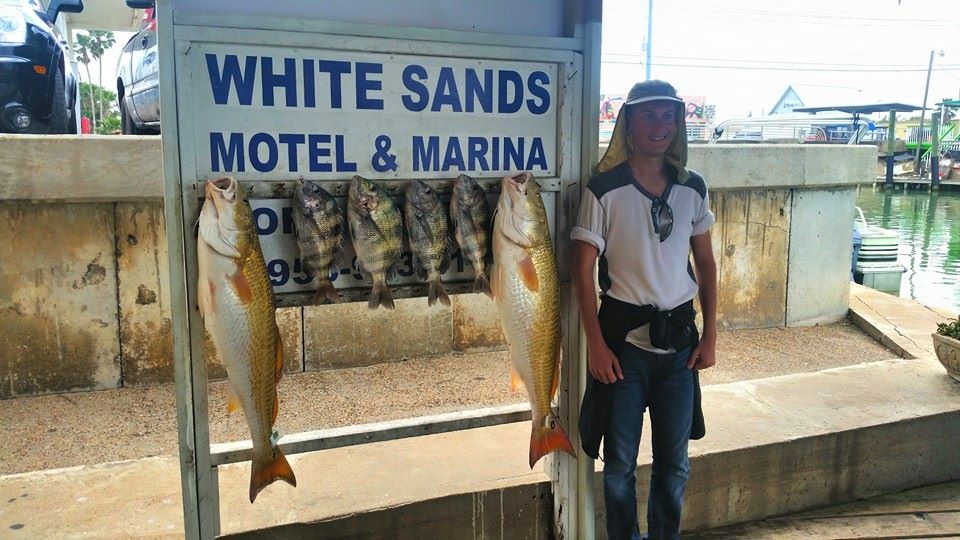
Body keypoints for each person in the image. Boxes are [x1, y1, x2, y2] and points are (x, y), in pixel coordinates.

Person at [572, 79, 718, 540]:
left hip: (679, 344)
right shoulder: (604, 190)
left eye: (668, 115)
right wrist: (595, 345)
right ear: (629, 123)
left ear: (678, 124)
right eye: (649, 115)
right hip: (622, 346)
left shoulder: (693, 188)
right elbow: (581, 271)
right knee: (618, 465)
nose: (660, 125)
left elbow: (706, 264)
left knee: (674, 465)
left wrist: (711, 334)